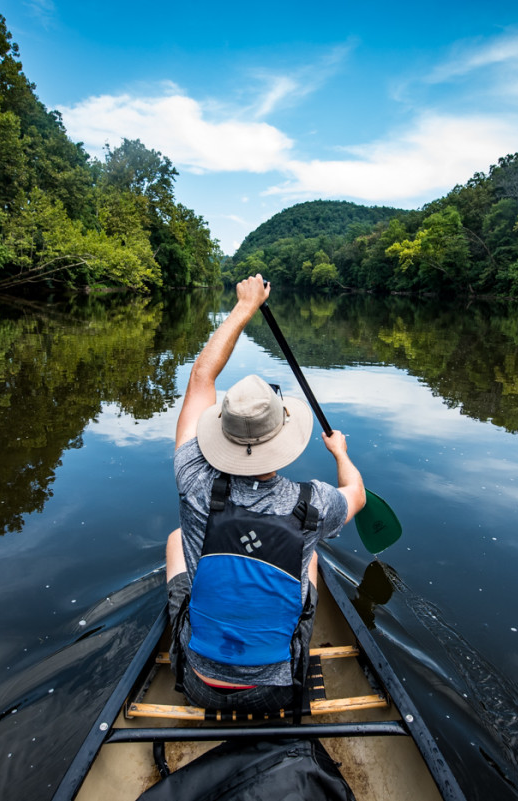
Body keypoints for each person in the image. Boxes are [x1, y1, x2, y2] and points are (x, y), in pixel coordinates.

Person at [165, 274, 366, 713]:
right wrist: (341, 453)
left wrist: (244, 307)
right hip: (275, 691)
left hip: (198, 684)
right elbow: (357, 494)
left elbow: (201, 376)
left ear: (221, 430)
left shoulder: (193, 476)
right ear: (283, 435)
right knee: (309, 556)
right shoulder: (314, 504)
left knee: (176, 540)